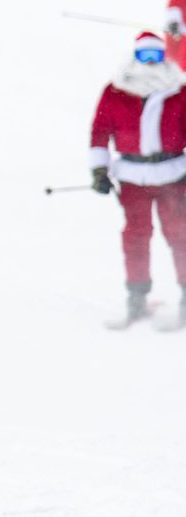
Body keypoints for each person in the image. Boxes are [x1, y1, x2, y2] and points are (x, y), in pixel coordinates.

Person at [89, 31, 186, 326]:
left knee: (180, 235)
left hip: (173, 175)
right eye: (144, 56)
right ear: (135, 57)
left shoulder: (178, 90)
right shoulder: (116, 90)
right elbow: (100, 131)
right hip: (132, 178)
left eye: (155, 56)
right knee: (135, 237)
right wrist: (99, 170)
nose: (150, 62)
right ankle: (137, 296)